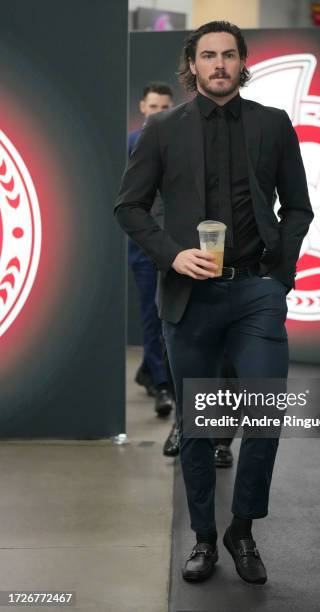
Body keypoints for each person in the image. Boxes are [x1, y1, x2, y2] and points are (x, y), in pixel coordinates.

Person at [115, 21, 313, 585]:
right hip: (190, 296)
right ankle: (203, 537)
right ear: (193, 64)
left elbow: (298, 208)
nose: (219, 64)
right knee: (199, 424)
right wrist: (172, 256)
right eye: (209, 56)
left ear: (242, 61)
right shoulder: (161, 129)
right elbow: (129, 208)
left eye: (229, 55)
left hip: (257, 292)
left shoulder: (273, 125)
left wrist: (281, 273)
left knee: (265, 416)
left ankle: (242, 528)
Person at [128, 82, 176, 417]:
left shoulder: (182, 140)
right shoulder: (132, 143)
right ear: (143, 107)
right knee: (153, 314)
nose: (159, 112)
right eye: (153, 106)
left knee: (171, 315)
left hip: (176, 243)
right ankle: (161, 384)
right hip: (145, 244)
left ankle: (151, 370)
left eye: (164, 107)